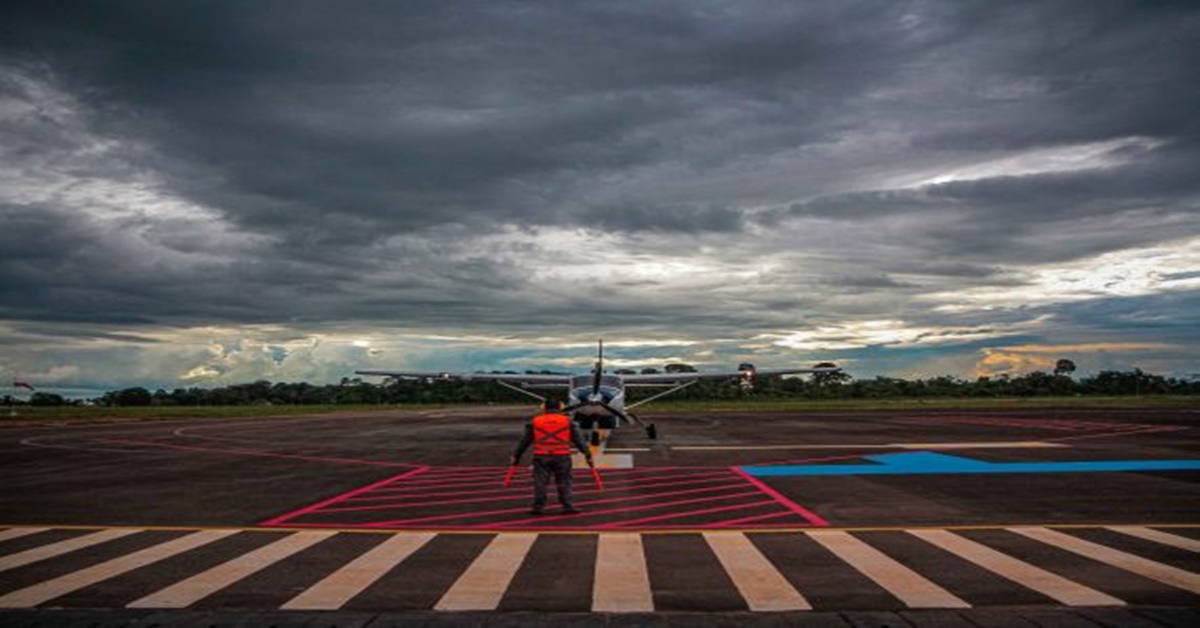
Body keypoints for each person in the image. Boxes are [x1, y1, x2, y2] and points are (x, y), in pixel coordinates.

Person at [511, 399, 593, 515]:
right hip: (562, 456)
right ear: (560, 407)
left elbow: (525, 441)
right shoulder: (568, 421)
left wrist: (517, 455)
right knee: (564, 481)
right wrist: (587, 454)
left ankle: (538, 507)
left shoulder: (535, 421)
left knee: (540, 482)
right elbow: (579, 440)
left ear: (544, 408)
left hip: (541, 456)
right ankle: (567, 505)